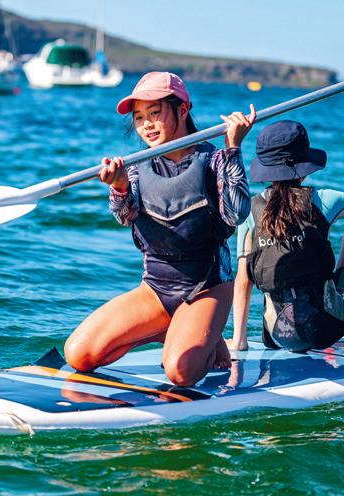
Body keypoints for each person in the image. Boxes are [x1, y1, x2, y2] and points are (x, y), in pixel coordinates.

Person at [64, 72, 256, 386]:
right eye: (139, 118)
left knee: (179, 372)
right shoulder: (136, 167)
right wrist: (119, 187)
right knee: (79, 355)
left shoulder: (214, 159)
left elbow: (237, 214)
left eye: (155, 113)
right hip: (155, 287)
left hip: (206, 287)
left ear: (182, 109)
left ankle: (204, 335)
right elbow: (125, 217)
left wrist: (233, 148)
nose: (147, 125)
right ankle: (174, 329)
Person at [229, 120, 344, 353]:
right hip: (327, 329)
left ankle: (241, 339)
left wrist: (239, 340)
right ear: (304, 166)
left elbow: (243, 279)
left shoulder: (251, 212)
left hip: (280, 335)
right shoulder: (324, 199)